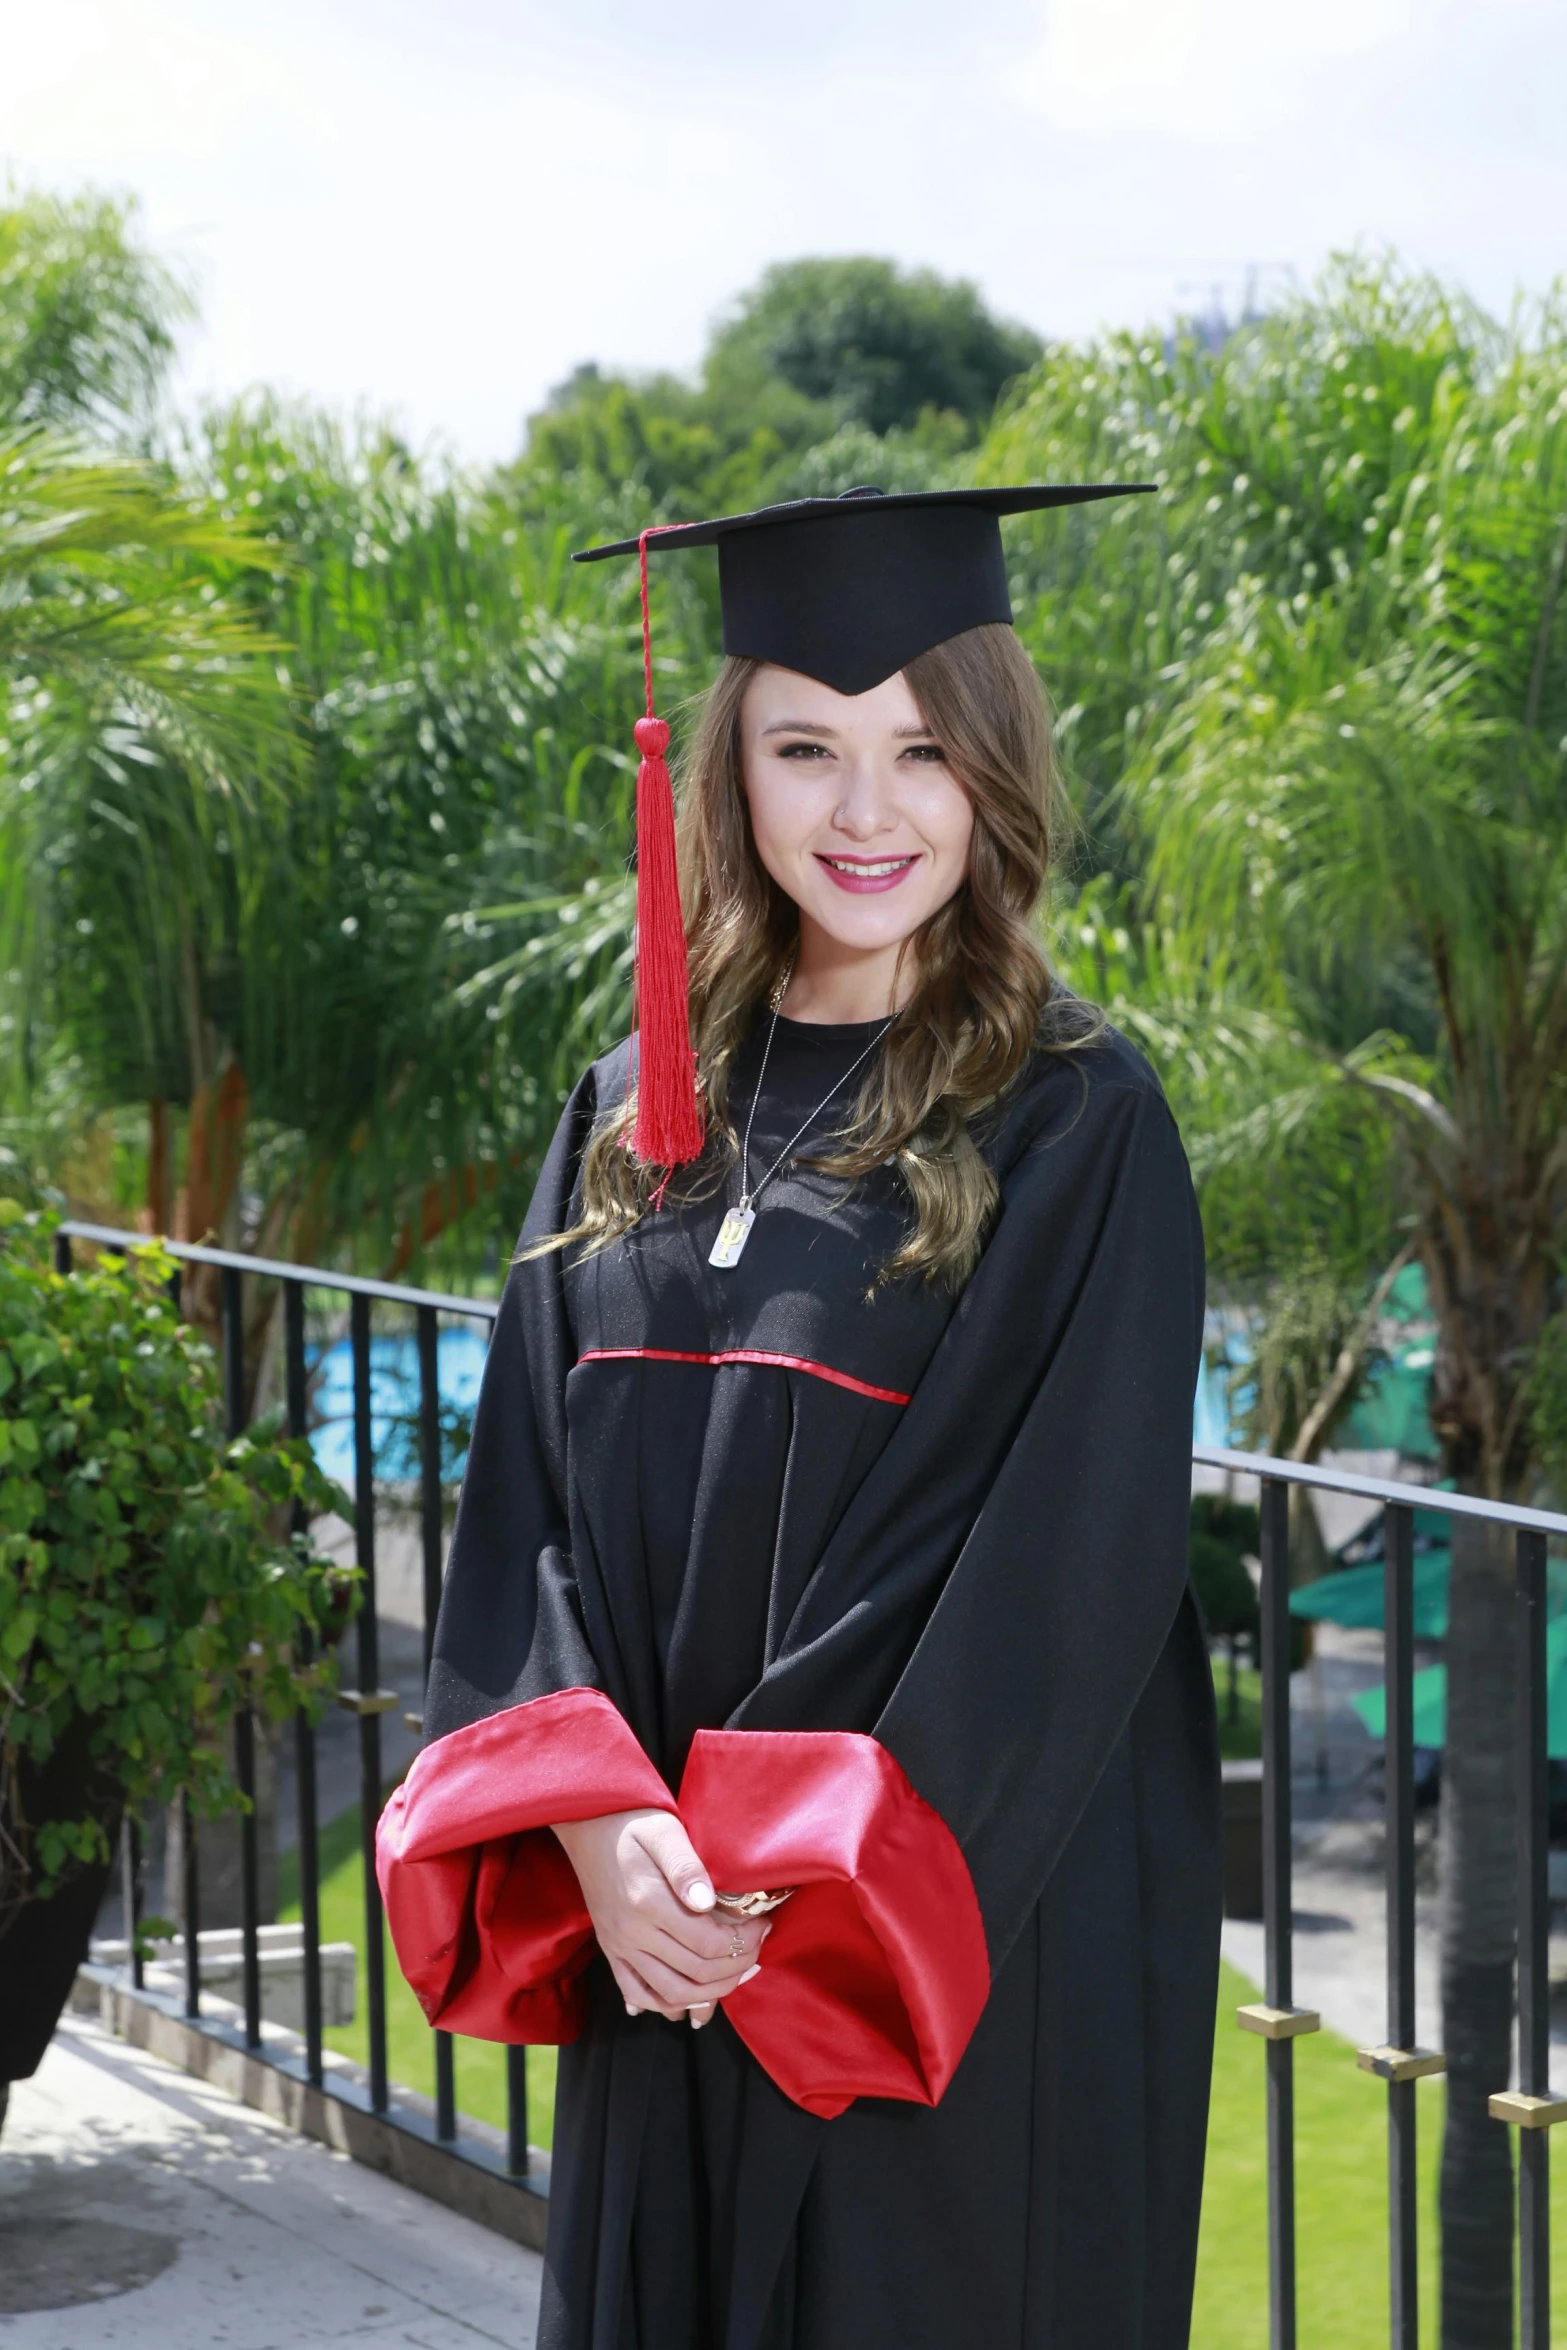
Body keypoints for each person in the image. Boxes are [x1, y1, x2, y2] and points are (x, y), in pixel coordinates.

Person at [377, 486, 1222, 2350]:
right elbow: (525, 1507)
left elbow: (1045, 1575)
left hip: (912, 1972)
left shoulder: (1074, 1122)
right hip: (655, 1945)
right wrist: (599, 1830)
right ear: (728, 772)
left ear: (992, 770)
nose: (865, 810)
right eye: (807, 746)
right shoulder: (634, 1113)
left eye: (922, 749)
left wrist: (755, 1865)